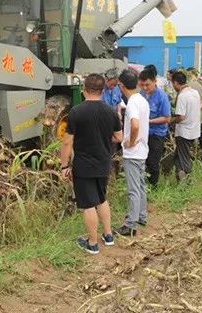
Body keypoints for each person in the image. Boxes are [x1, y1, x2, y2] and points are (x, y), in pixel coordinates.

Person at [59, 74, 123, 254]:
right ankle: (108, 235)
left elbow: (66, 142)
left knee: (88, 204)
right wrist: (103, 138)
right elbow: (119, 137)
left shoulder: (76, 112)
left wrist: (64, 166)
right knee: (101, 199)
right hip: (104, 163)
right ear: (103, 91)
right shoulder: (111, 111)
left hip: (84, 165)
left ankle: (92, 243)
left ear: (84, 90)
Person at [115, 70, 150, 236]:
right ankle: (141, 215)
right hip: (142, 151)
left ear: (122, 85)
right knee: (141, 185)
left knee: (133, 189)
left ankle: (130, 225)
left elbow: (134, 125)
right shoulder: (141, 100)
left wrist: (129, 141)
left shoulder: (133, 103)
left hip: (133, 152)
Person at [139, 69, 171, 186]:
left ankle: (154, 187)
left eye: (147, 85)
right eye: (142, 85)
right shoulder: (141, 94)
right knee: (143, 160)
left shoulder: (162, 96)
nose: (145, 88)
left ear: (154, 81)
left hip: (156, 134)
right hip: (143, 133)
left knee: (153, 162)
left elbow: (167, 118)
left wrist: (148, 121)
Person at [171, 71, 200, 181]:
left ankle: (187, 181)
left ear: (175, 83)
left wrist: (170, 122)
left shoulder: (183, 96)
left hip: (184, 132)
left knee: (184, 158)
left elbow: (180, 117)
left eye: (172, 84)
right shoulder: (195, 93)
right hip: (194, 130)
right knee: (179, 156)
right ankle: (180, 176)